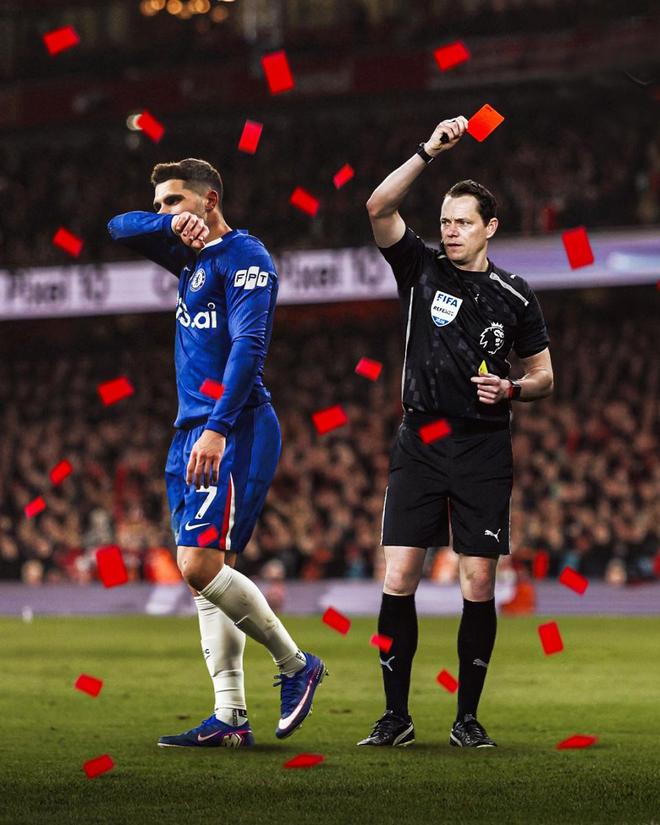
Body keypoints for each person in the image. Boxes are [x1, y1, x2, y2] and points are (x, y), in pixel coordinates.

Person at [107, 158, 326, 749]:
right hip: (190, 431)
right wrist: (166, 225)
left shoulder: (247, 257)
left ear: (209, 200)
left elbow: (249, 345)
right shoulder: (189, 257)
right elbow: (116, 227)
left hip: (232, 429)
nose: (162, 211)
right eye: (158, 203)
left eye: (174, 201)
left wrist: (218, 429)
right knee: (207, 573)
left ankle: (297, 664)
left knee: (199, 566)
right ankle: (230, 717)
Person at [358, 117, 554, 748]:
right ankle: (396, 716)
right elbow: (378, 206)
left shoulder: (515, 296)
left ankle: (466, 718)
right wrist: (427, 152)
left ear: (490, 227)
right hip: (419, 439)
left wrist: (513, 390)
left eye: (463, 222)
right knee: (398, 578)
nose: (450, 230)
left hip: (482, 444)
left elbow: (545, 376)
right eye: (445, 220)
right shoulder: (420, 267)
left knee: (478, 582)